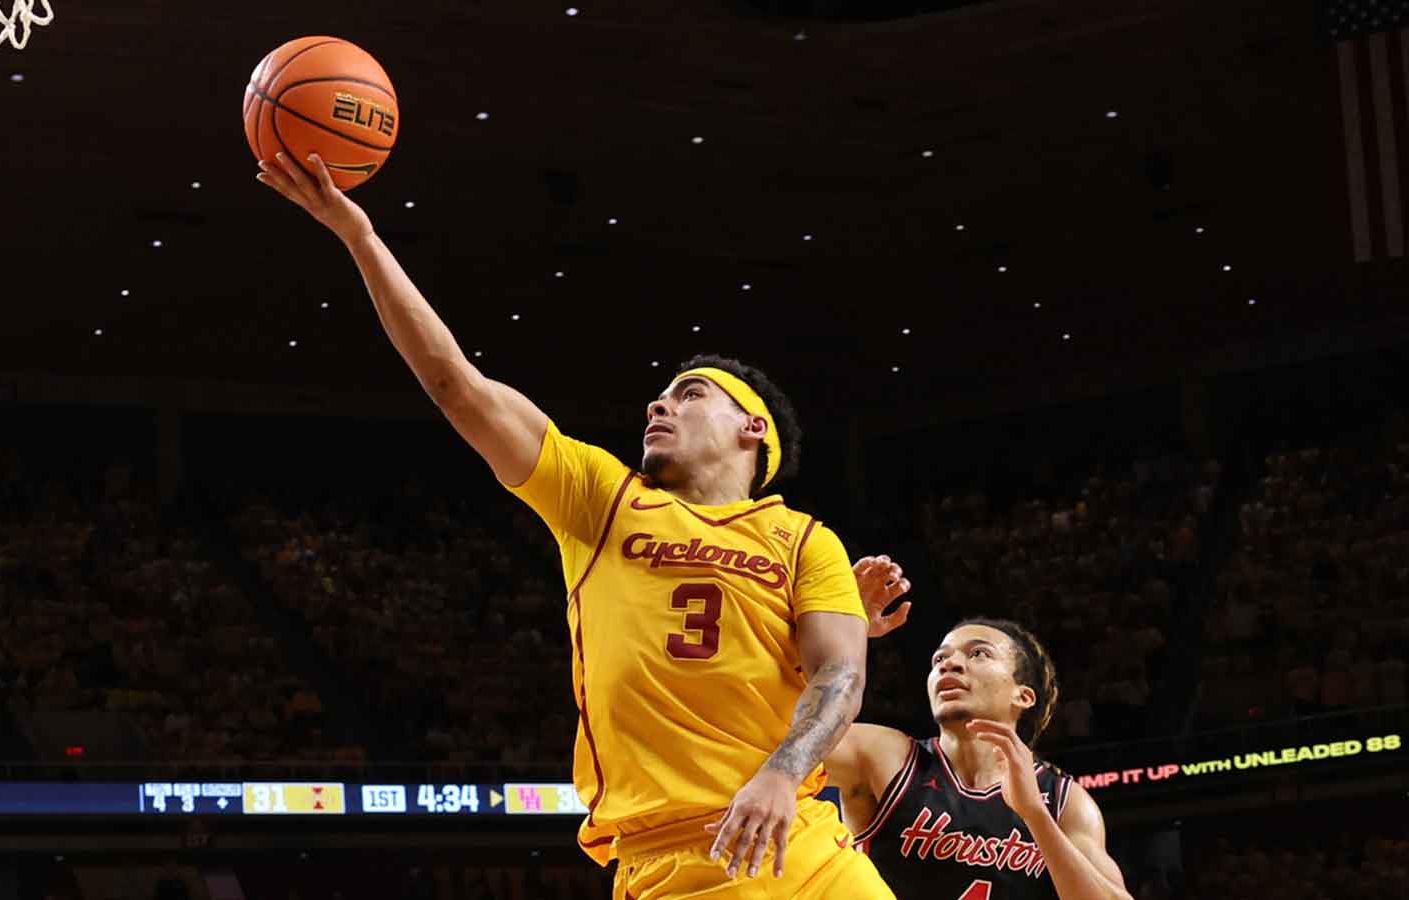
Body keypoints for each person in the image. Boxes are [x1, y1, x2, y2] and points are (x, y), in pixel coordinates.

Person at [256, 152, 902, 899]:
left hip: (803, 837)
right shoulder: (601, 495)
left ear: (752, 427)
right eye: (656, 397)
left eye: (688, 394)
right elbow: (455, 385)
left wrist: (781, 774)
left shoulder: (807, 539)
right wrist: (360, 236)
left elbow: (841, 675)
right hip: (678, 859)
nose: (658, 405)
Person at [826, 557, 1132, 900]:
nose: (950, 664)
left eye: (979, 654)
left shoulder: (1064, 801)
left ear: (1024, 695)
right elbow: (773, 734)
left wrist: (1035, 815)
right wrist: (837, 631)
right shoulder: (887, 755)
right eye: (939, 659)